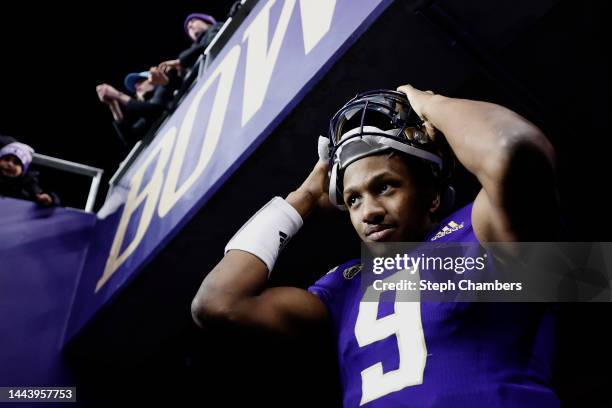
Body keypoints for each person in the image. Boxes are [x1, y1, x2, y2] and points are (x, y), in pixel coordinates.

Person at [191, 84, 560, 406]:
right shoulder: (343, 285)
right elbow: (218, 303)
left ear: (431, 195)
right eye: (352, 199)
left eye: (384, 187)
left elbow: (513, 149)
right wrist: (302, 196)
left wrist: (430, 103)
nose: (369, 211)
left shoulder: (476, 231)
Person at [96, 70, 171, 147]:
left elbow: (156, 109)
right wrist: (113, 105)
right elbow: (130, 138)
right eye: (135, 88)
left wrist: (118, 95)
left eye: (140, 81)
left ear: (153, 80)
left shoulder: (165, 86)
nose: (136, 87)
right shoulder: (147, 116)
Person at [157, 13, 223, 87]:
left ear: (206, 21)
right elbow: (182, 85)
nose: (190, 26)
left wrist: (179, 61)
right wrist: (168, 79)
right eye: (188, 29)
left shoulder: (216, 27)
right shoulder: (191, 55)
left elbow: (210, 42)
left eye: (193, 21)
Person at [0, 141, 60, 206]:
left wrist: (50, 198)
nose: (10, 164)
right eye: (7, 159)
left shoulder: (29, 183)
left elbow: (43, 196)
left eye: (16, 162)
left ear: (23, 169)